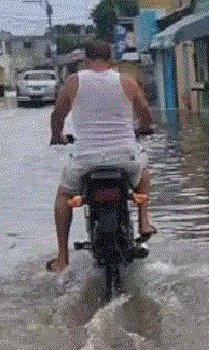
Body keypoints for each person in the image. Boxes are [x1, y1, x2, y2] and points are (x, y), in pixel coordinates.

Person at [47, 39, 155, 273]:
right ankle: (144, 221)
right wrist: (143, 127)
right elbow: (145, 114)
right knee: (144, 174)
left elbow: (58, 114)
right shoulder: (127, 82)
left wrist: (56, 135)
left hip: (86, 159)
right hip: (124, 157)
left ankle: (62, 258)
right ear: (111, 59)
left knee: (64, 196)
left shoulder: (73, 82)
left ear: (85, 60)